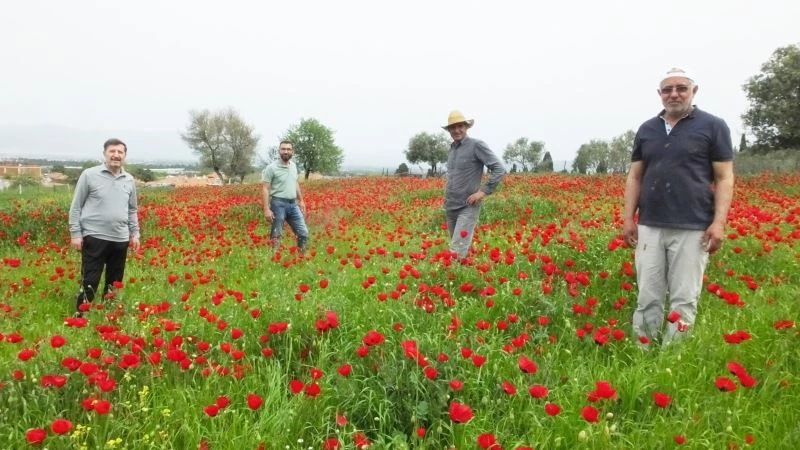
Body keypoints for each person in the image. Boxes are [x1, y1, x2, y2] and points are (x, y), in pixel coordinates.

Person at [623, 68, 734, 346]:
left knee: (684, 298)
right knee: (648, 294)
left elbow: (724, 177)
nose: (674, 94)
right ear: (659, 94)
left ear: (694, 91)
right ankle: (642, 351)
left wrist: (718, 222)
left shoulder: (713, 126)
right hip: (650, 224)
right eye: (668, 89)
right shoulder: (647, 129)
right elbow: (635, 176)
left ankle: (675, 356)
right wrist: (628, 218)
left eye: (681, 88)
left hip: (693, 225)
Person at [69, 138, 141, 315]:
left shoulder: (129, 179)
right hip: (95, 236)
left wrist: (135, 233)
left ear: (124, 156)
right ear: (104, 154)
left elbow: (132, 209)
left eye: (120, 152)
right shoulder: (89, 175)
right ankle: (80, 316)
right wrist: (75, 233)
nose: (116, 155)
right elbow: (76, 206)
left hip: (120, 238)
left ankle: (108, 315)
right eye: (112, 151)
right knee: (90, 279)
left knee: (114, 281)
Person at [442, 110, 506, 259]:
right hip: (450, 206)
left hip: (468, 206)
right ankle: (467, 274)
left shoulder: (476, 145)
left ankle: (453, 278)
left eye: (460, 126)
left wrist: (483, 191)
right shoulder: (452, 149)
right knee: (459, 247)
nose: (456, 130)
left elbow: (499, 169)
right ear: (449, 130)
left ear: (466, 127)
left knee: (456, 250)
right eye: (453, 127)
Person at [262, 140, 309, 253]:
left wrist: (301, 200)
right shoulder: (271, 168)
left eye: (288, 149)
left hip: (293, 204)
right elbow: (265, 188)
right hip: (278, 204)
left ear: (293, 152)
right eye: (283, 149)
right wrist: (266, 209)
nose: (285, 151)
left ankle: (301, 257)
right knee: (276, 235)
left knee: (303, 233)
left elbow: (295, 183)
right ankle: (273, 258)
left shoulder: (293, 166)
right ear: (279, 151)